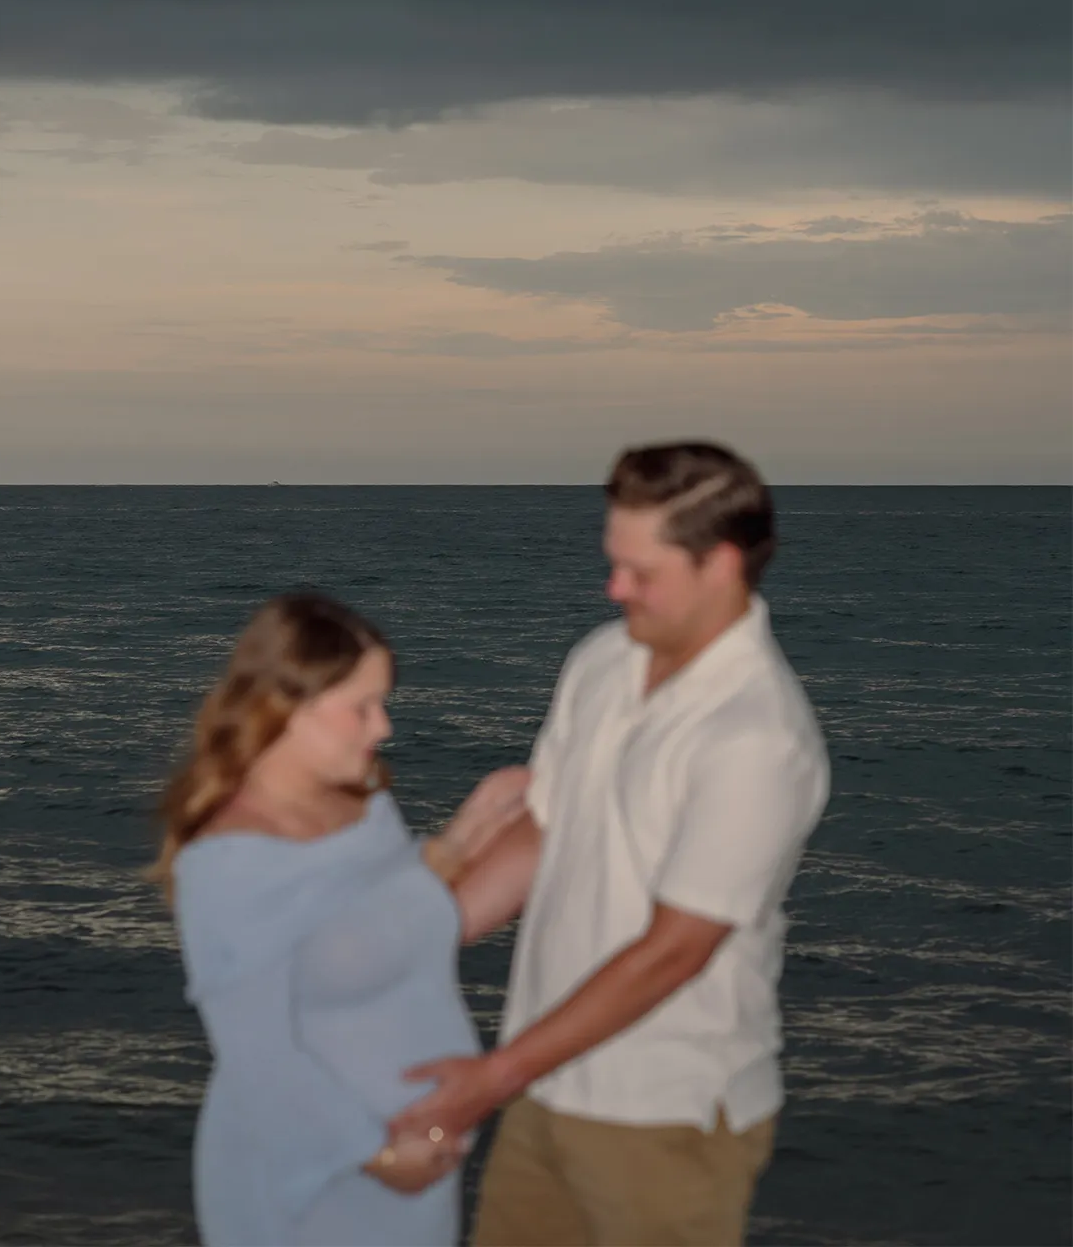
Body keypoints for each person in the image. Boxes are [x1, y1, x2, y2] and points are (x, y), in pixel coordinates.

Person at [393, 441, 831, 1247]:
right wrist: (416, 936)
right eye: (613, 562)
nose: (614, 588)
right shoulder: (602, 661)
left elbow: (676, 950)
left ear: (722, 565)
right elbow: (546, 828)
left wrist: (491, 1078)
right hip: (544, 1086)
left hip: (666, 1117)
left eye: (641, 572)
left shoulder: (756, 737)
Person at [151, 588, 530, 1247]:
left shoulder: (361, 797)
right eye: (361, 708)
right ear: (286, 710)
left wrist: (461, 841)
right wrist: (379, 1155)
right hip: (320, 1183)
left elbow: (367, 911)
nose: (382, 727)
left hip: (416, 1170)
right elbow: (257, 1059)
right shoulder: (229, 860)